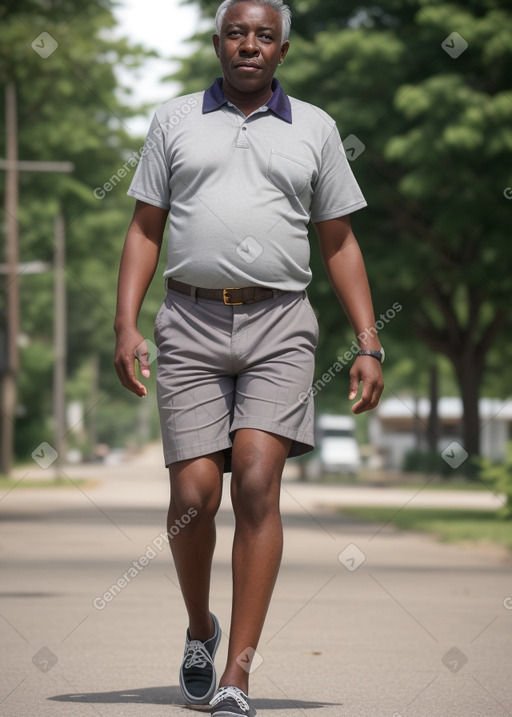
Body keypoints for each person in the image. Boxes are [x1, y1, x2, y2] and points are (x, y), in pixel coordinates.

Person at [114, 0, 384, 714]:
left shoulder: (316, 129)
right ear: (217, 43)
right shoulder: (173, 120)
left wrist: (368, 341)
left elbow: (338, 242)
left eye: (265, 36)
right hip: (191, 324)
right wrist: (126, 324)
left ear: (283, 51)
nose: (249, 45)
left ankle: (236, 674)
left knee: (258, 483)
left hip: (280, 325)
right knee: (193, 496)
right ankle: (201, 628)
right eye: (237, 33)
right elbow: (146, 225)